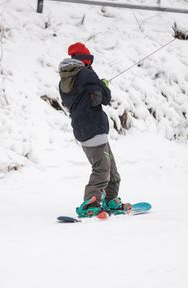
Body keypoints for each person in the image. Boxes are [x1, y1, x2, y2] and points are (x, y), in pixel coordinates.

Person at [58, 42, 131, 218]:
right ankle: (90, 204)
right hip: (93, 126)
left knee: (110, 168)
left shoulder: (64, 81)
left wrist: (97, 87)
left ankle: (111, 200)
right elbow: (104, 97)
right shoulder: (86, 73)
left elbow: (87, 98)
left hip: (84, 128)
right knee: (102, 168)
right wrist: (103, 85)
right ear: (84, 60)